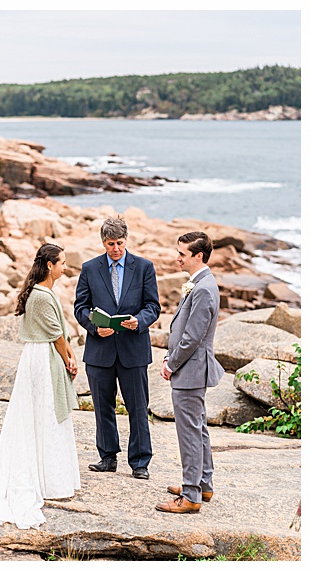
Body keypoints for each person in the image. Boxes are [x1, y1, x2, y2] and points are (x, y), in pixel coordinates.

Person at [0, 243, 82, 529]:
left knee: (46, 415)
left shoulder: (43, 292)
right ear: (49, 265)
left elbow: (60, 334)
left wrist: (69, 355)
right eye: (62, 262)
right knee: (45, 415)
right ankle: (47, 481)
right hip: (42, 358)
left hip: (44, 354)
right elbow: (57, 336)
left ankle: (50, 476)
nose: (65, 267)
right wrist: (68, 359)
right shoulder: (42, 296)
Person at [73, 216, 160, 480]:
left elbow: (153, 307)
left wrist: (139, 321)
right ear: (103, 243)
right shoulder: (89, 269)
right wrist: (93, 327)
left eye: (120, 243)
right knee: (103, 406)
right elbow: (80, 307)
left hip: (133, 349)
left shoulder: (144, 267)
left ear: (126, 240)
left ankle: (140, 462)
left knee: (137, 407)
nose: (116, 249)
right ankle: (107, 457)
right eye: (110, 244)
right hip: (100, 351)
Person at [156, 232, 222, 514]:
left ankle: (192, 495)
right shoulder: (201, 284)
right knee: (199, 428)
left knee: (190, 433)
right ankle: (203, 484)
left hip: (191, 370)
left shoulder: (204, 288)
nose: (177, 257)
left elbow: (192, 337)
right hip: (193, 368)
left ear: (198, 256)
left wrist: (171, 363)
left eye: (182, 253)